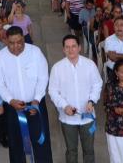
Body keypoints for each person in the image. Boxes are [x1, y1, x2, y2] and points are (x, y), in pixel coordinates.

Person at [0, 26, 52, 163]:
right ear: (6, 41)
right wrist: (10, 100)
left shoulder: (35, 52)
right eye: (11, 43)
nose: (16, 46)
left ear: (23, 39)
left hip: (36, 105)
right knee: (16, 144)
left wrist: (36, 99)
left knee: (41, 141)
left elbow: (43, 77)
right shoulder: (0, 58)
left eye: (19, 42)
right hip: (13, 107)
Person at [48, 35, 103, 163]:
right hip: (67, 119)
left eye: (73, 46)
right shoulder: (57, 68)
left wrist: (92, 101)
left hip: (87, 116)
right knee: (71, 151)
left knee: (89, 150)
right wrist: (64, 106)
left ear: (79, 47)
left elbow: (97, 84)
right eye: (67, 47)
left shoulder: (89, 64)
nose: (70, 50)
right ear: (63, 49)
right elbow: (52, 91)